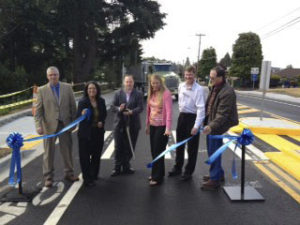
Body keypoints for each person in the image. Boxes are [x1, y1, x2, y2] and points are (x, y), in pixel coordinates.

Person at [35, 66, 78, 188]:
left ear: (58, 75)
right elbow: (38, 111)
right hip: (48, 127)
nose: (53, 77)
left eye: (55, 74)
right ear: (47, 76)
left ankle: (69, 173)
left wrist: (74, 123)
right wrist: (38, 126)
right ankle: (48, 177)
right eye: (50, 75)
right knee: (48, 153)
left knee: (67, 151)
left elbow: (73, 107)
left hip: (65, 125)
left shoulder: (67, 87)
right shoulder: (41, 90)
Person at [202, 65, 238, 190]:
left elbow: (222, 115)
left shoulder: (227, 92)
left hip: (218, 125)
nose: (210, 80)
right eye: (210, 77)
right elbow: (210, 105)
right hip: (212, 122)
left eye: (213, 77)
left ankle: (215, 179)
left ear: (221, 77)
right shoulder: (215, 87)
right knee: (212, 150)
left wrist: (211, 126)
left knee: (214, 151)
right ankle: (218, 174)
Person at [169, 66, 205, 181]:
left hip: (193, 118)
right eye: (186, 74)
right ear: (184, 75)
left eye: (190, 74)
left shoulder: (199, 89)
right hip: (182, 117)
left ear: (194, 75)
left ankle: (188, 171)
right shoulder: (181, 86)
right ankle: (177, 168)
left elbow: (201, 109)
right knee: (179, 144)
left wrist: (196, 126)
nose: (188, 77)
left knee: (192, 148)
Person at [111, 75, 143, 176]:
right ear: (124, 83)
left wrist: (132, 112)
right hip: (120, 124)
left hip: (133, 124)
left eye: (130, 82)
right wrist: (119, 109)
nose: (129, 84)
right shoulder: (117, 93)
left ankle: (126, 166)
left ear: (133, 83)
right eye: (127, 82)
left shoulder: (138, 94)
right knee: (118, 146)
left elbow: (140, 107)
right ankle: (117, 167)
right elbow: (112, 107)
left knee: (130, 146)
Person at [77, 81, 107, 187]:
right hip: (85, 133)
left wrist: (101, 122)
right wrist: (82, 114)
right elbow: (78, 116)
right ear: (86, 90)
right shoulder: (82, 102)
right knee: (84, 157)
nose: (91, 90)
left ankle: (94, 174)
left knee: (96, 155)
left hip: (98, 132)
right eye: (89, 89)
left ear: (97, 90)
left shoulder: (101, 101)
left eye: (93, 88)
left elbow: (104, 114)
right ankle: (87, 178)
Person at [146, 74, 172, 186]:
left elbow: (170, 112)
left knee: (158, 151)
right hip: (152, 125)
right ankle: (158, 173)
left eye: (157, 83)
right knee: (154, 151)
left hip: (162, 127)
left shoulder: (166, 94)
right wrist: (147, 125)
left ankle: (157, 177)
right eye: (153, 83)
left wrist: (168, 128)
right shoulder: (151, 93)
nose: (155, 85)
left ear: (161, 83)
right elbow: (148, 110)